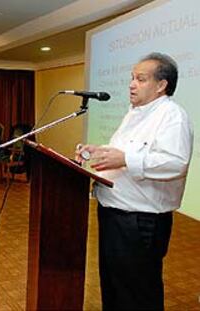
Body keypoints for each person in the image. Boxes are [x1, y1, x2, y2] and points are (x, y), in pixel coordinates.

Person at [76, 53, 193, 310]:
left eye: (140, 79)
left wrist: (126, 158)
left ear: (161, 85)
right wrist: (98, 150)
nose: (131, 84)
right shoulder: (136, 113)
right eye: (132, 78)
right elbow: (123, 151)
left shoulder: (172, 116)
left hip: (140, 222)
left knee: (137, 295)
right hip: (114, 214)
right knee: (115, 288)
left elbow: (176, 163)